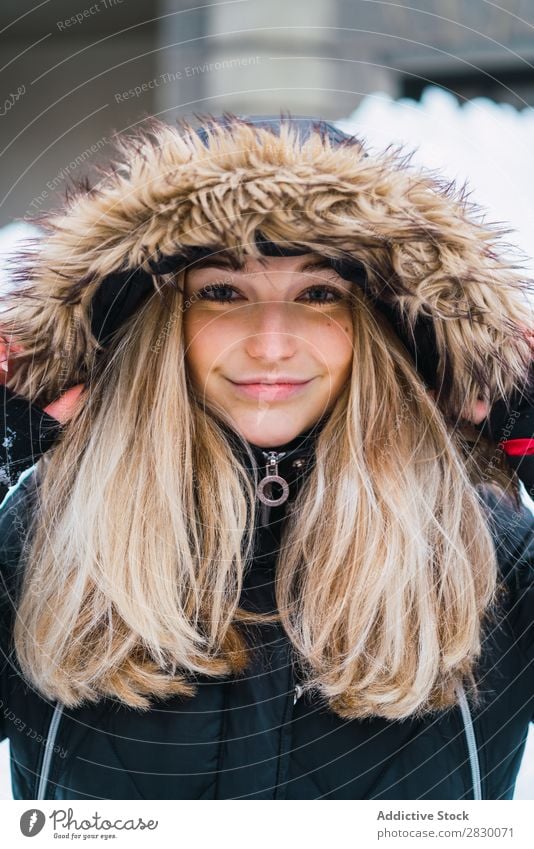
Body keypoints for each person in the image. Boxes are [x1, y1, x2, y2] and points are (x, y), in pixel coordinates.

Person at [0, 113, 533, 801]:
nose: (272, 344)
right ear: (164, 322)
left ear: (373, 325)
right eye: (223, 292)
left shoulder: (483, 550)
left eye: (319, 294)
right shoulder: (48, 538)